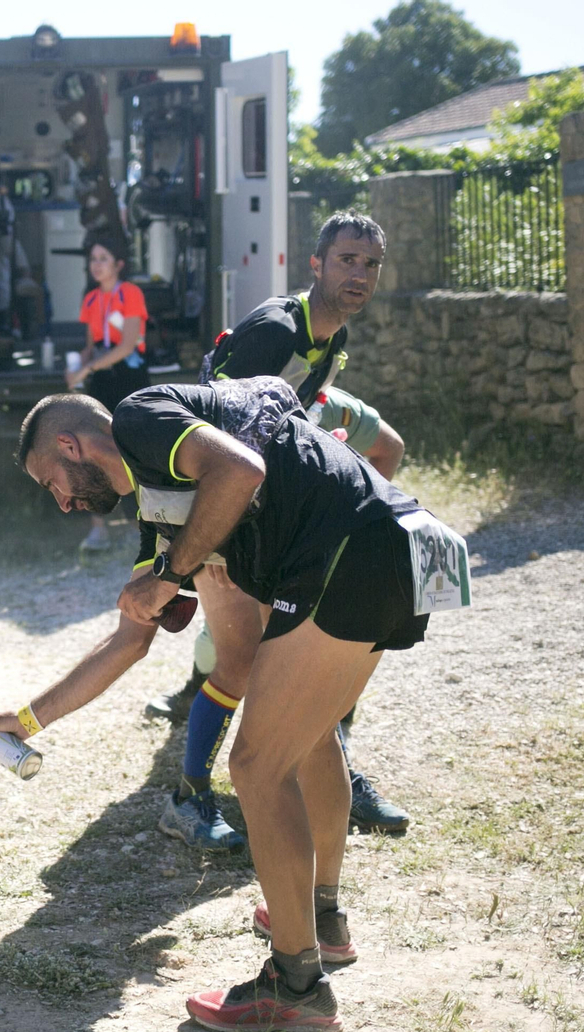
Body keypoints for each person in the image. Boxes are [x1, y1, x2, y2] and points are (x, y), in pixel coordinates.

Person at [0, 376, 459, 1032]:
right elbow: (127, 641)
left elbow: (240, 467)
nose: (61, 502)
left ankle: (297, 984)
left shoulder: (142, 420)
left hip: (355, 546)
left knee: (257, 765)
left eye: (51, 480)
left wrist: (172, 572)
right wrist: (25, 718)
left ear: (70, 443)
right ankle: (322, 922)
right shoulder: (159, 509)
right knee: (309, 740)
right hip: (395, 547)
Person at [150, 211, 412, 845]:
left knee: (333, 642)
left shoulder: (331, 336)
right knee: (240, 658)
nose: (360, 273)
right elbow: (217, 428)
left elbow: (283, 427)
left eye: (370, 264)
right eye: (347, 259)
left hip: (277, 514)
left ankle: (336, 779)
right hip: (226, 515)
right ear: (316, 264)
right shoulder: (276, 329)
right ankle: (187, 799)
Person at [65, 236, 148, 553]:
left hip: (129, 380)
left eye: (103, 258)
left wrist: (88, 368)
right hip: (101, 380)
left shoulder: (130, 294)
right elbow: (91, 345)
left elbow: (127, 345)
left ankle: (135, 526)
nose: (97, 265)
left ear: (118, 265)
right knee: (95, 450)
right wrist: (78, 368)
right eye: (93, 259)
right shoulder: (90, 299)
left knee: (129, 452)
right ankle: (99, 527)